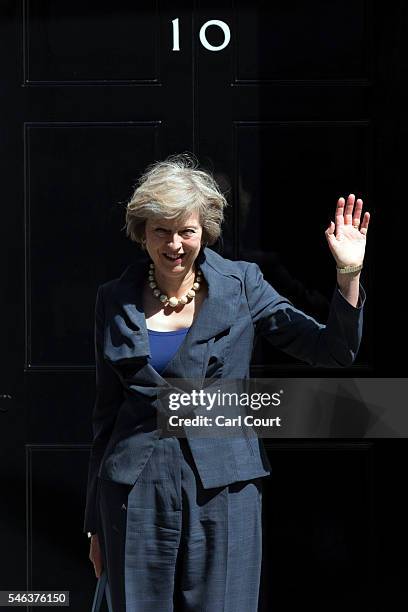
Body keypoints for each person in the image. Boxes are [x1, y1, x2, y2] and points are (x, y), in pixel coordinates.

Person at [83, 152, 370, 611]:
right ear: (142, 232)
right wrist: (95, 522)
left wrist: (348, 273)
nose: (174, 244)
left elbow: (333, 350)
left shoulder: (242, 286)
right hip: (134, 491)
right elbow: (105, 416)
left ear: (204, 232)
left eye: (186, 231)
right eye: (161, 230)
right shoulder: (113, 299)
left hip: (223, 487)